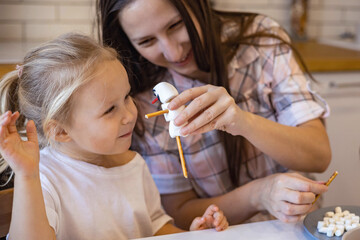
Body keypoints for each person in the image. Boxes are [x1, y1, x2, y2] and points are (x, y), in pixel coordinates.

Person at [97, 0, 331, 229]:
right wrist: (259, 194)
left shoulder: (260, 39)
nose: (173, 51)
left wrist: (244, 121)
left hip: (301, 228)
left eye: (176, 25)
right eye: (147, 41)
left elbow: (318, 156)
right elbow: (178, 213)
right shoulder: (140, 101)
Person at [0, 33, 228, 240]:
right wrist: (27, 176)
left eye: (127, 97)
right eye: (110, 110)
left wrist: (190, 235)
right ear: (61, 131)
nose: (129, 115)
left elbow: (154, 227)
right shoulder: (43, 178)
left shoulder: (134, 164)